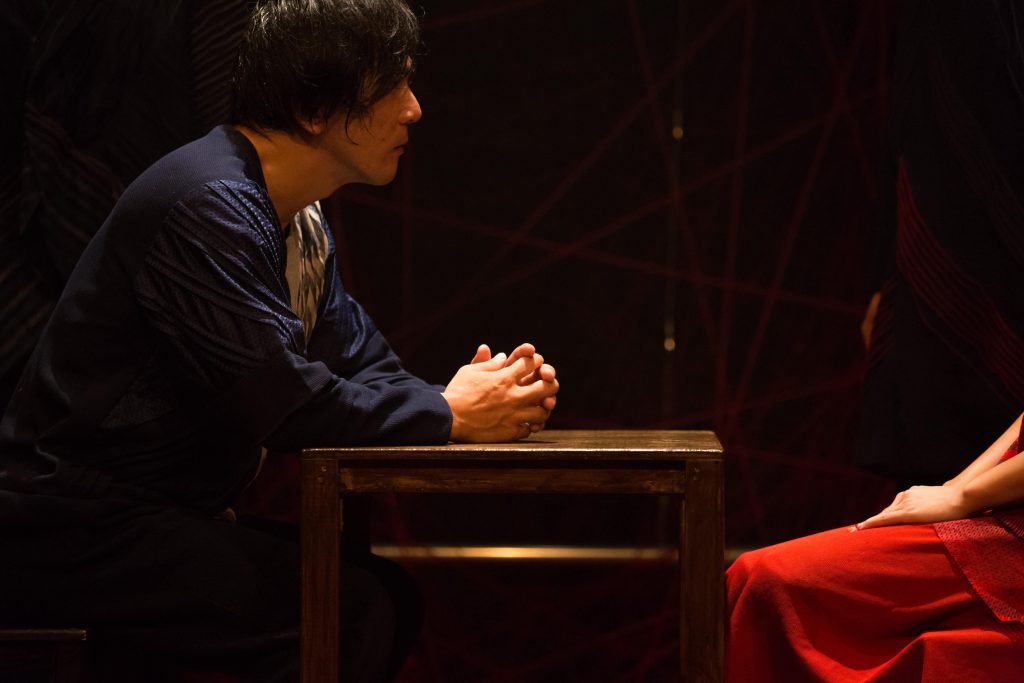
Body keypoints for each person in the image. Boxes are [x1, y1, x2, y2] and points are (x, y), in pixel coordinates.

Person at [0, 0, 559, 681]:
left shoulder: (296, 217)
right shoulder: (209, 202)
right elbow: (287, 403)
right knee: (352, 611)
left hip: (150, 518)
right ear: (313, 107)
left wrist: (476, 397)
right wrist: (449, 412)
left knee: (388, 594)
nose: (413, 109)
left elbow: (362, 364)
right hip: (71, 527)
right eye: (392, 86)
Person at [727, 412, 1024, 682]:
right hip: (996, 505)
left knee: (770, 579)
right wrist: (954, 489)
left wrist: (963, 497)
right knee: (757, 576)